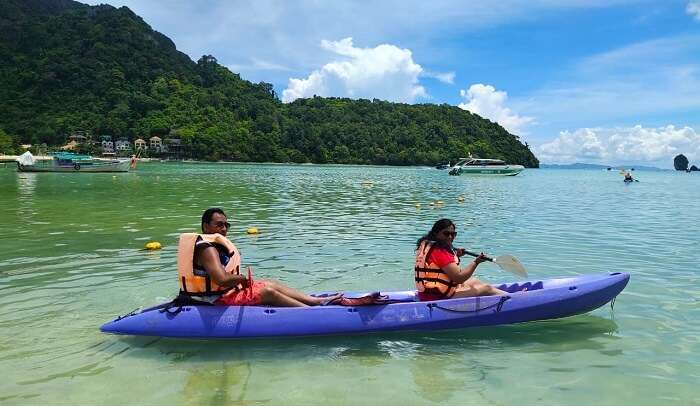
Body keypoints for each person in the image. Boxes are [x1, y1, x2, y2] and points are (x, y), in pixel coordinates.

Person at [178, 208, 342, 307]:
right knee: (267, 291)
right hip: (211, 300)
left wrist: (239, 281)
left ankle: (314, 301)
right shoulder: (206, 248)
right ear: (206, 226)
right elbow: (221, 279)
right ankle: (311, 313)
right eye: (218, 225)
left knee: (270, 283)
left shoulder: (214, 244)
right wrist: (241, 279)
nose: (223, 229)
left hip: (223, 293)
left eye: (226, 225)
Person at [414, 218, 507, 301]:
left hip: (429, 293)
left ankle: (508, 296)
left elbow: (439, 267)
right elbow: (459, 278)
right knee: (486, 288)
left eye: (453, 234)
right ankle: (514, 299)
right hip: (438, 297)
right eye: (446, 234)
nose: (450, 237)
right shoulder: (440, 252)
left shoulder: (429, 245)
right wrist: (476, 262)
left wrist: (456, 256)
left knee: (475, 281)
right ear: (436, 234)